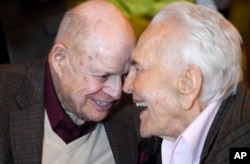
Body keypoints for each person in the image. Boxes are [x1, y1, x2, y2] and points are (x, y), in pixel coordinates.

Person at [0, 0, 143, 163]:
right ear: (59, 59)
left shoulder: (136, 110)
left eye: (124, 75)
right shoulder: (5, 99)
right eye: (103, 76)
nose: (118, 92)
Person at [123, 1, 250, 164]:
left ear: (188, 84)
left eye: (139, 69)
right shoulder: (157, 137)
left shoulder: (241, 144)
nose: (126, 86)